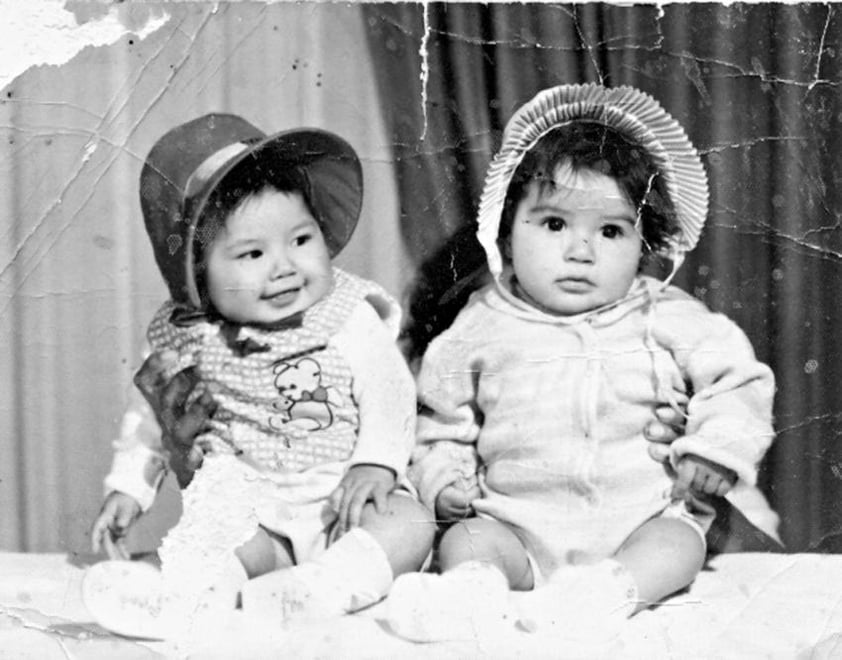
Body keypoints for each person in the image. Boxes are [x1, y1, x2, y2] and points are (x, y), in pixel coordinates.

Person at [385, 83, 780, 644]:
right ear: (505, 227)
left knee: (678, 544)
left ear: (646, 243)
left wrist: (714, 450)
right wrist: (444, 479)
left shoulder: (665, 314)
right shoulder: (479, 324)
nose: (580, 250)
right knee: (467, 541)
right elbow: (440, 420)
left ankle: (604, 595)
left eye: (612, 230)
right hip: (515, 524)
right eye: (553, 224)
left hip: (636, 524)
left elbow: (738, 381)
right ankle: (470, 593)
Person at [84, 114, 434, 640]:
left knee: (410, 525)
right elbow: (150, 422)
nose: (285, 266)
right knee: (213, 540)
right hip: (254, 516)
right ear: (198, 274)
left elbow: (391, 391)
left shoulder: (345, 313)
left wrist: (376, 464)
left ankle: (323, 588)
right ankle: (187, 600)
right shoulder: (187, 338)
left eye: (300, 239)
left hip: (343, 502)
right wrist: (130, 489)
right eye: (252, 253)